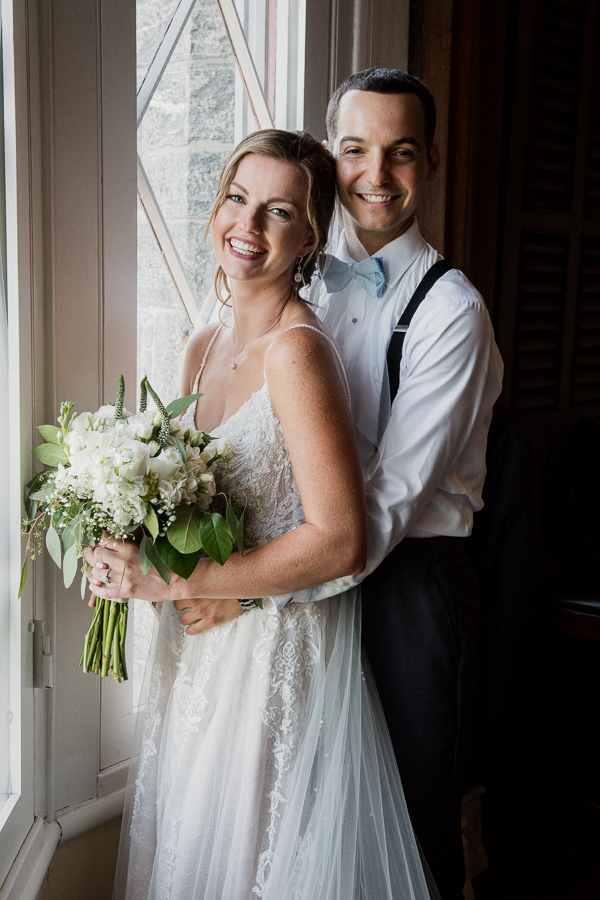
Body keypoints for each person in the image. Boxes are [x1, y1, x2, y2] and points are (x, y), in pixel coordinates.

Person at [88, 130, 438, 900]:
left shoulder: (298, 351)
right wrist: (121, 544)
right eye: (238, 199)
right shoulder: (200, 346)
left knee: (249, 859)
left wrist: (181, 583)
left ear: (311, 235)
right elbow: (181, 503)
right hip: (200, 652)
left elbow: (341, 540)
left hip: (270, 654)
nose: (248, 226)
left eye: (279, 211)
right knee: (188, 845)